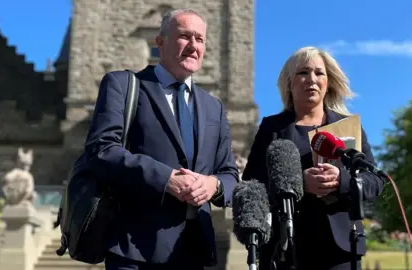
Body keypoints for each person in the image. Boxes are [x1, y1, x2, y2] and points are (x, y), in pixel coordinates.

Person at [84, 8, 239, 270]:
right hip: (134, 251)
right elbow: (102, 151)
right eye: (184, 36)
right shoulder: (122, 85)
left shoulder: (214, 107)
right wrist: (166, 179)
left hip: (194, 251)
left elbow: (229, 174)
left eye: (199, 39)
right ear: (160, 43)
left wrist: (213, 185)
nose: (193, 46)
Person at [241, 46, 385, 270]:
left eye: (319, 73)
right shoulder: (272, 128)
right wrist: (299, 184)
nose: (312, 79)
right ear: (289, 82)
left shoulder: (348, 126)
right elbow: (252, 186)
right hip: (285, 249)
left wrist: (341, 181)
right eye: (303, 73)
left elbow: (375, 182)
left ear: (328, 82)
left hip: (340, 250)